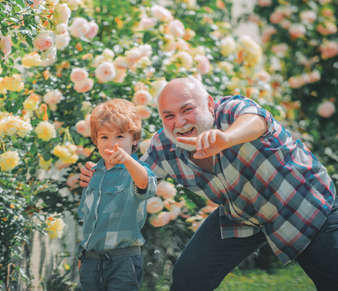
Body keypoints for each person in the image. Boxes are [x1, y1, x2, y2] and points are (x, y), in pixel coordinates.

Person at [80, 77, 337, 291]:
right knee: (189, 278)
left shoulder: (233, 112)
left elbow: (257, 120)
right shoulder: (165, 146)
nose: (179, 122)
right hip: (243, 214)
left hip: (305, 203)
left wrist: (226, 138)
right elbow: (139, 178)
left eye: (187, 110)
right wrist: (103, 177)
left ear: (210, 105)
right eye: (169, 116)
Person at [77, 98, 157, 291]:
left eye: (120, 137)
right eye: (104, 137)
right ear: (96, 141)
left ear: (134, 139)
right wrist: (84, 254)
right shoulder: (93, 174)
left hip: (123, 260)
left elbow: (146, 184)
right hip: (91, 260)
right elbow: (87, 217)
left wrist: (128, 161)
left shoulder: (136, 171)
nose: (111, 144)